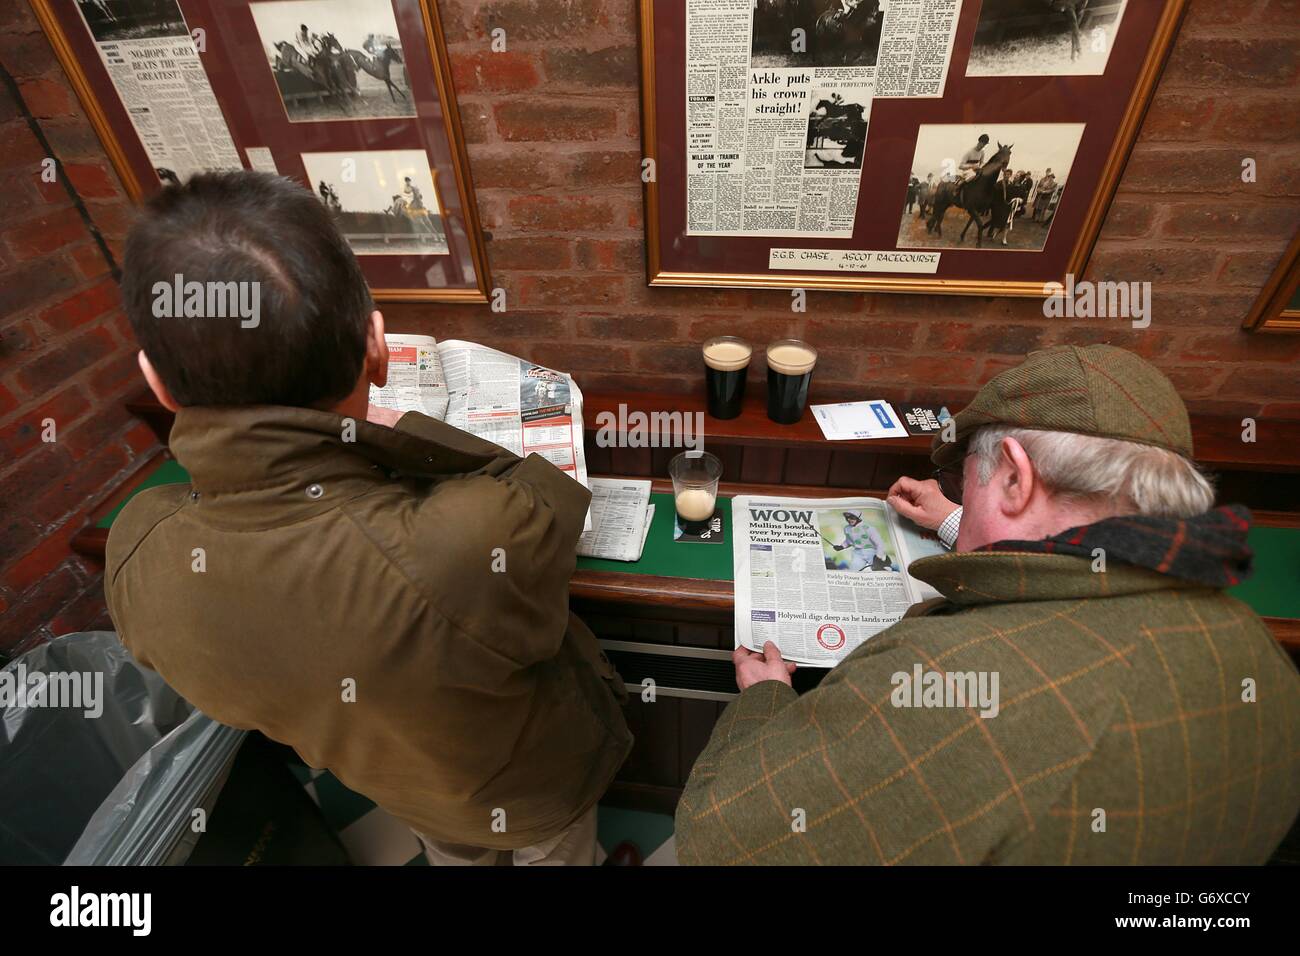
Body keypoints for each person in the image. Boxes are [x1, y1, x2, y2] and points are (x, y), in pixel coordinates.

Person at [107, 171, 632, 865]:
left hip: (400, 787)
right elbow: (533, 491)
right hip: (534, 791)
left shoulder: (137, 547)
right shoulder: (466, 542)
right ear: (377, 347)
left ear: (158, 383)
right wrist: (387, 433)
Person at [676, 345, 1300, 864]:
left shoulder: (944, 684)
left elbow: (716, 841)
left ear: (1013, 476)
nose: (960, 495)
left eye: (964, 481)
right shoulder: (1265, 662)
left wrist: (764, 699)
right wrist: (954, 522)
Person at [830, 511, 894, 572]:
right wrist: (842, 546)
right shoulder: (847, 528)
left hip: (872, 552)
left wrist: (878, 557)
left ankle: (886, 565)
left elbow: (880, 543)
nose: (849, 519)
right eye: (847, 518)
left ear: (858, 518)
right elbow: (848, 541)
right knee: (853, 571)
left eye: (852, 517)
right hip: (858, 553)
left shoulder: (869, 528)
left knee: (881, 570)